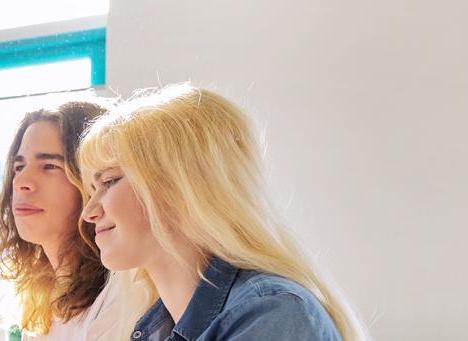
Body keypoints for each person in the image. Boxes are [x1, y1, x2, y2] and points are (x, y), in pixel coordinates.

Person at [78, 84, 366, 340]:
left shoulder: (272, 314)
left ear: (181, 184)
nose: (89, 212)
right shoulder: (158, 326)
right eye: (93, 189)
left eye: (109, 181)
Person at [0, 101, 130, 340]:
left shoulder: (120, 298)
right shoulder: (44, 300)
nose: (22, 182)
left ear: (94, 181)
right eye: (19, 166)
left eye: (49, 166)